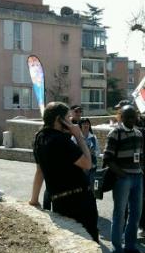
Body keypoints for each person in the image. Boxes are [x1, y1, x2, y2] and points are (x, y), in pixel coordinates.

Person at [29, 102, 99, 242]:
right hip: (80, 201)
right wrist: (79, 136)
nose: (71, 121)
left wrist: (34, 200)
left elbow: (40, 171)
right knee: (89, 241)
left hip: (59, 201)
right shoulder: (61, 140)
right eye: (68, 118)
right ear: (58, 120)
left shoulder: (40, 138)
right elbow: (87, 163)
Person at [103, 105, 145, 253]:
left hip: (138, 177)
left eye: (133, 116)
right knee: (119, 214)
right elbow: (107, 158)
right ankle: (117, 249)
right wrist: (122, 174)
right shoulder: (115, 133)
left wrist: (141, 172)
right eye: (127, 116)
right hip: (123, 179)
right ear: (120, 117)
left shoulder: (138, 133)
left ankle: (130, 246)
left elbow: (141, 156)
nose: (130, 119)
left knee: (136, 214)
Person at [71, 117, 100, 189]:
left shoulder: (94, 138)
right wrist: (85, 152)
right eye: (84, 124)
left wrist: (94, 153)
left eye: (87, 124)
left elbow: (98, 151)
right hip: (80, 168)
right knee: (81, 187)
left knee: (92, 187)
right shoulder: (75, 138)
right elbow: (72, 152)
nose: (86, 125)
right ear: (80, 125)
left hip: (92, 167)